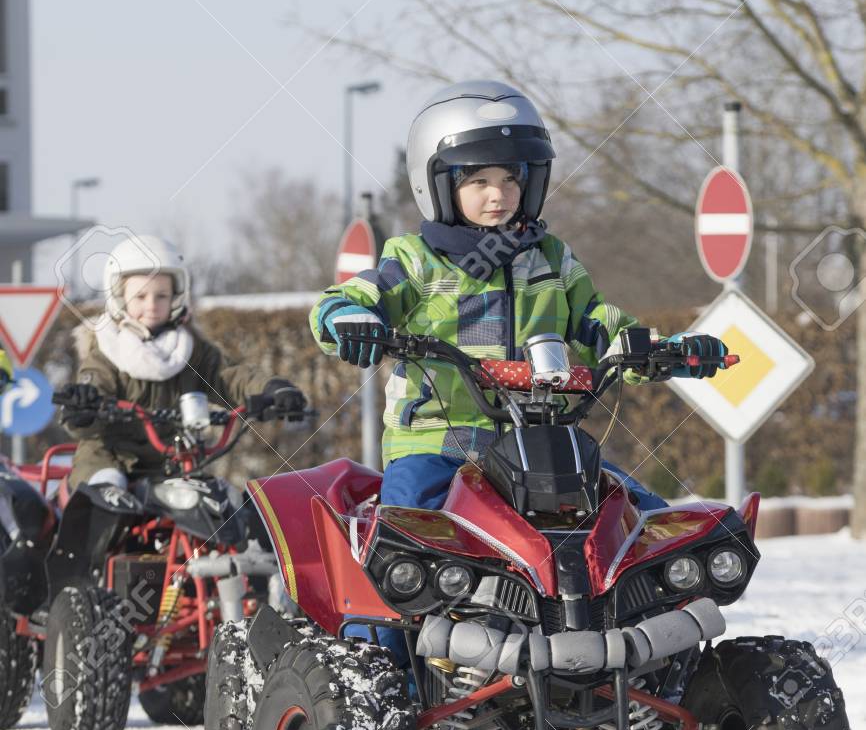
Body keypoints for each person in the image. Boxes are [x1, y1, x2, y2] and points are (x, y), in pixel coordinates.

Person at [310, 79, 727, 518]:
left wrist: (658, 350)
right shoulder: (416, 260)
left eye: (512, 178)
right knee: (411, 530)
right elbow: (350, 296)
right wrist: (349, 317)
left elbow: (598, 324)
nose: (499, 194)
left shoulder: (551, 259)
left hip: (543, 445)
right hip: (437, 445)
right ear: (435, 184)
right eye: (479, 180)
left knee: (641, 518)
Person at [67, 234, 305, 490]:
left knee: (218, 503)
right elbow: (92, 391)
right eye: (140, 297)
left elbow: (230, 377)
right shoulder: (106, 351)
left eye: (161, 296)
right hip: (110, 458)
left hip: (175, 460)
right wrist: (83, 406)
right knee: (105, 493)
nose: (152, 305)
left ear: (176, 297)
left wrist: (272, 389)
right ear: (120, 299)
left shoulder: (190, 350)